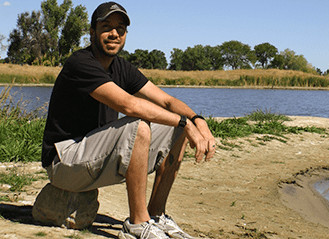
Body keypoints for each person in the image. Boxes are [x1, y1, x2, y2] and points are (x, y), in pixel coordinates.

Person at [40, 2, 215, 238]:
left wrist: (196, 120)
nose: (114, 33)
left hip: (94, 157)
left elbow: (167, 101)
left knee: (178, 129)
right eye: (107, 27)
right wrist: (184, 122)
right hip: (64, 161)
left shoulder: (121, 67)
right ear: (92, 32)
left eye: (120, 28)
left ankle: (155, 215)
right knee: (139, 124)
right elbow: (128, 105)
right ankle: (137, 224)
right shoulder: (80, 63)